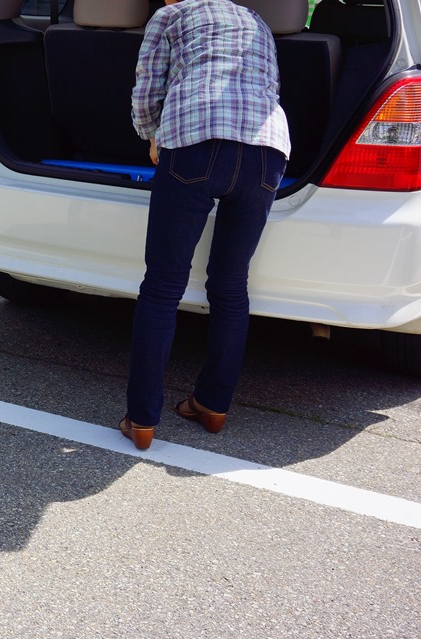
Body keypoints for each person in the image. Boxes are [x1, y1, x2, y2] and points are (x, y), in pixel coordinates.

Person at [120, 0, 291, 450]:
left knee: (162, 285)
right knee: (232, 285)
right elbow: (270, 85)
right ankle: (212, 406)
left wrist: (151, 134)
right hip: (266, 152)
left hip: (195, 140)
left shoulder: (171, 16)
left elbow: (146, 88)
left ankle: (141, 420)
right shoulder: (256, 21)